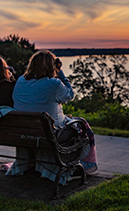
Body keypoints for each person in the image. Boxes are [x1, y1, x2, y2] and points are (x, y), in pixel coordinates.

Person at [6, 50, 97, 183]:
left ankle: (36, 164)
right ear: (51, 66)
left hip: (24, 132)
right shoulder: (53, 84)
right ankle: (84, 166)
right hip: (50, 134)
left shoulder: (20, 81)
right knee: (83, 128)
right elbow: (70, 95)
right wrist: (60, 73)